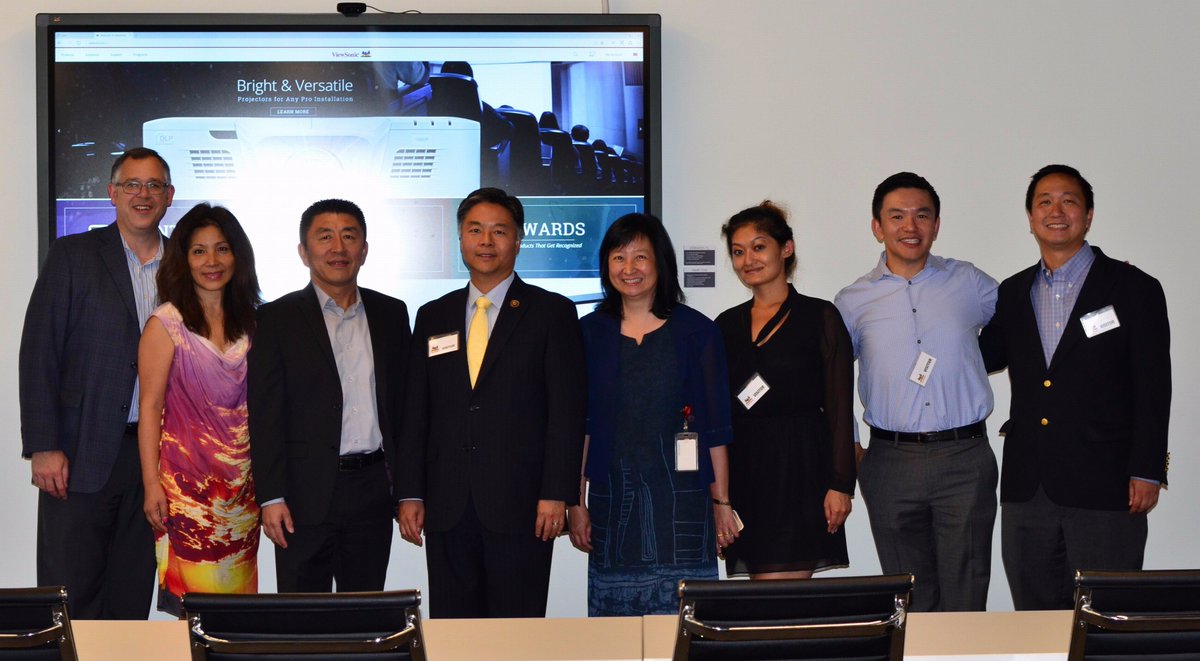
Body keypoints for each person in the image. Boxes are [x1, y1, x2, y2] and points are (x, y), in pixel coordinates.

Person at [979, 164, 1170, 610]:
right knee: (1035, 617)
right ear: (1031, 218)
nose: (1056, 211)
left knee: (1104, 614)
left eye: (1069, 201)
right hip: (1028, 488)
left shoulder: (1134, 288)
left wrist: (1147, 469)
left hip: (1108, 484)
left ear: (1088, 216)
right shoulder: (1012, 292)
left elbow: (1153, 385)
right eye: (1044, 202)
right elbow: (983, 358)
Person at [397, 187, 585, 618]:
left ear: (518, 240)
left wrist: (556, 493)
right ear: (459, 239)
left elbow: (566, 412)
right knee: (454, 630)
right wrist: (409, 492)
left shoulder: (551, 312)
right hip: (446, 503)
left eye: (499, 231)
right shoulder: (433, 315)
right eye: (475, 230)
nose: (486, 241)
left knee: (516, 629)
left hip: (523, 503)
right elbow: (416, 413)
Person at [19, 147, 174, 619]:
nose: (143, 194)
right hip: (78, 453)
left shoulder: (184, 267)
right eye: (132, 184)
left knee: (130, 598)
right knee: (70, 598)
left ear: (169, 196)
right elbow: (40, 351)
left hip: (155, 459)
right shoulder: (74, 255)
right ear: (112, 193)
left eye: (153, 185)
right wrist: (43, 445)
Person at [834, 172, 999, 612]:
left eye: (922, 215)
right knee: (909, 597)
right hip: (890, 462)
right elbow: (832, 381)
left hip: (965, 459)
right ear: (877, 227)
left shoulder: (970, 282)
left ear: (936, 224)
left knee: (966, 595)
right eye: (897, 216)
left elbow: (1027, 316)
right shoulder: (852, 301)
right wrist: (849, 445)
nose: (910, 226)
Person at [567, 212, 739, 616]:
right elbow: (580, 427)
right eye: (618, 257)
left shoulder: (698, 332)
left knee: (685, 626)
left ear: (660, 263)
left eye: (640, 257)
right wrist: (576, 502)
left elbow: (715, 429)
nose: (629, 268)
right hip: (612, 499)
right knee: (616, 633)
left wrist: (722, 503)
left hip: (685, 498)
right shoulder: (589, 333)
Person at [247, 198, 410, 592]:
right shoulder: (275, 319)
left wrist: (409, 491)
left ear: (364, 250)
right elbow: (266, 415)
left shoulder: (392, 313)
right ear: (304, 252)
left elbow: (406, 410)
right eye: (325, 237)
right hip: (302, 495)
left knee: (365, 611)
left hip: (373, 488)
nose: (338, 248)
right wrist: (271, 497)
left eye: (349, 236)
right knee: (303, 616)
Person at [715, 201, 855, 579]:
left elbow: (840, 408)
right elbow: (716, 416)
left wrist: (841, 485)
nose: (748, 260)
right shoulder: (725, 325)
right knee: (764, 596)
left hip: (802, 470)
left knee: (782, 595)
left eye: (759, 247)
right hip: (746, 472)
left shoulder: (820, 316)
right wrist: (718, 499)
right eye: (738, 252)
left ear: (786, 248)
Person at [137, 203, 262, 615]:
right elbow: (150, 408)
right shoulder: (166, 324)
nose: (212, 261)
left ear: (237, 256)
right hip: (186, 493)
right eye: (199, 251)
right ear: (183, 259)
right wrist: (151, 485)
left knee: (237, 615)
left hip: (244, 493)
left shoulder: (255, 323)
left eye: (222, 249)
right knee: (194, 610)